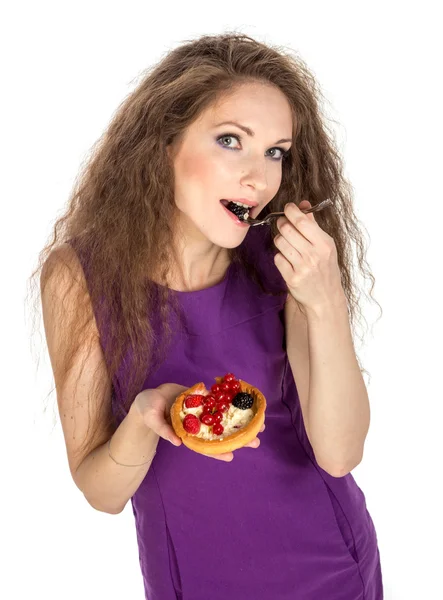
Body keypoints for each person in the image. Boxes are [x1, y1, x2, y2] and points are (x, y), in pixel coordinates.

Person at [38, 32, 383, 599]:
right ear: (164, 143)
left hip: (329, 567)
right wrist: (147, 416)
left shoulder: (285, 261)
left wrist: (326, 302)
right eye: (231, 141)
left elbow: (340, 453)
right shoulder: (77, 277)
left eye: (276, 151)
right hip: (191, 578)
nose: (261, 176)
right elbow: (102, 492)